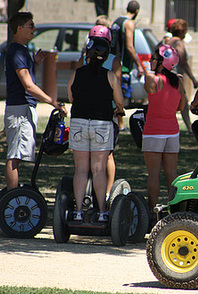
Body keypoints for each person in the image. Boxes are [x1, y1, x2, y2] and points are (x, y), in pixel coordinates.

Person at [4, 12, 67, 190]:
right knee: (14, 156)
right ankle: (12, 196)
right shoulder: (16, 50)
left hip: (24, 108)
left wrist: (36, 63)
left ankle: (13, 194)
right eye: (31, 25)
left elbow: (24, 79)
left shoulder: (22, 51)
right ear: (20, 28)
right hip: (19, 110)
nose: (35, 29)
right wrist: (53, 102)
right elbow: (28, 86)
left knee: (18, 155)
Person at [67, 37, 124, 223]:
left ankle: (77, 211)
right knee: (99, 169)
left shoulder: (78, 73)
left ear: (88, 54)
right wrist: (119, 110)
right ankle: (101, 212)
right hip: (102, 124)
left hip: (79, 123)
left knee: (81, 169)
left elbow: (71, 96)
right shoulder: (110, 76)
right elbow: (120, 102)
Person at [80, 23, 122, 199]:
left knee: (87, 158)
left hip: (85, 111)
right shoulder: (113, 60)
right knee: (107, 154)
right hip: (106, 111)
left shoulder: (85, 58)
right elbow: (116, 86)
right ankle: (107, 192)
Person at [143, 45, 185, 211]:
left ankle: (151, 211)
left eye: (153, 58)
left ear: (162, 62)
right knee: (171, 174)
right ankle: (173, 210)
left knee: (153, 173)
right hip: (172, 131)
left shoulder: (152, 79)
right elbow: (181, 107)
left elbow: (148, 89)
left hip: (153, 131)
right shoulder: (178, 82)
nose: (150, 61)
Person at [111, 0, 144, 116]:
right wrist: (139, 65)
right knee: (121, 94)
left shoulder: (116, 21)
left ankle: (116, 121)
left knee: (113, 93)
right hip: (122, 65)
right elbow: (129, 47)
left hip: (112, 61)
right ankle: (120, 124)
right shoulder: (128, 23)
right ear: (137, 11)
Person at [167, 19, 198, 133]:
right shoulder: (179, 42)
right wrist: (193, 79)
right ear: (182, 31)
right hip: (175, 75)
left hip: (165, 75)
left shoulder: (167, 41)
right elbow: (183, 63)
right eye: (185, 30)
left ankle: (187, 126)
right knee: (183, 102)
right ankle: (189, 128)